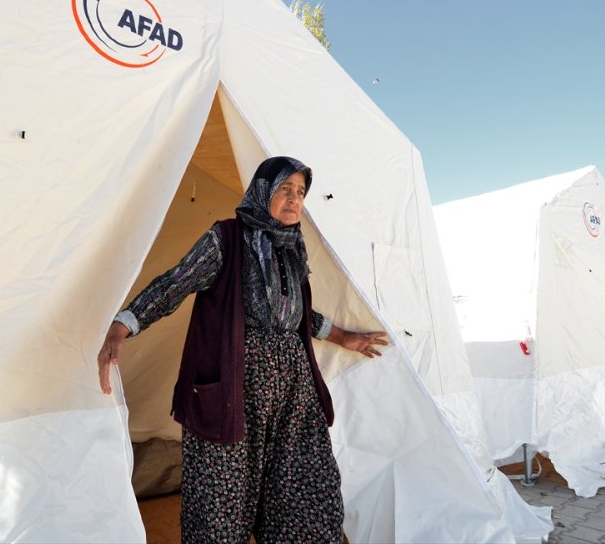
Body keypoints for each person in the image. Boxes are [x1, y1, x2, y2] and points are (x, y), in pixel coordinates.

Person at [97, 156, 388, 543]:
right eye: (285, 188)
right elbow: (176, 283)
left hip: (293, 396)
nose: (294, 199)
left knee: (304, 494)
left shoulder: (292, 249)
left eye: (301, 192)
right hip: (234, 393)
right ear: (263, 190)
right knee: (222, 504)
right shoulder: (226, 239)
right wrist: (124, 325)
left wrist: (342, 337)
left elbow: (295, 313)